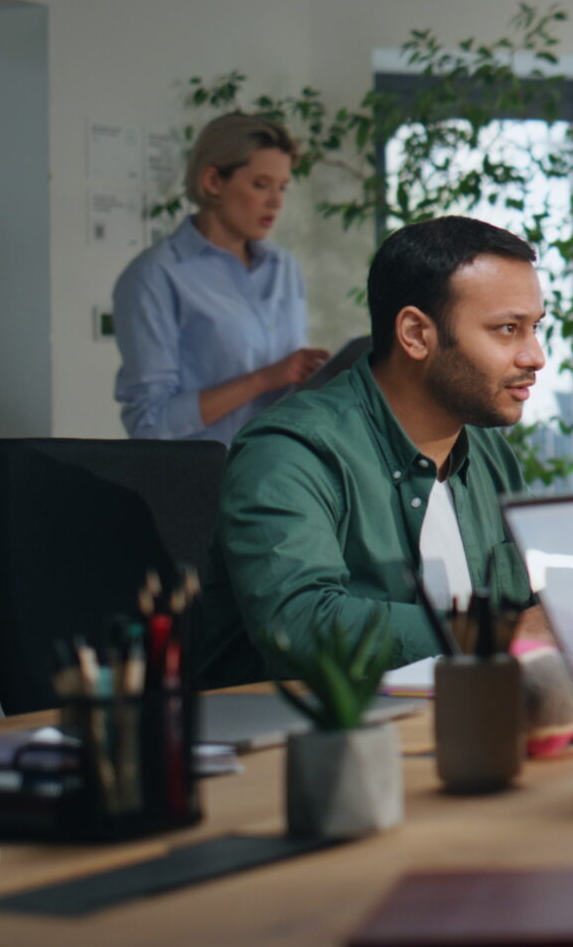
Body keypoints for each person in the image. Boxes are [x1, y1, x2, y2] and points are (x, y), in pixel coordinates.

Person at [192, 216, 546, 682]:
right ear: (417, 335)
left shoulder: (487, 453)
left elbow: (530, 616)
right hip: (301, 741)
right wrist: (499, 632)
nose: (535, 355)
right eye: (507, 329)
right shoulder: (290, 451)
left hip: (457, 719)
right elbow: (299, 626)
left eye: (536, 327)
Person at [112, 113, 331, 444]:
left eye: (283, 187)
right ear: (213, 181)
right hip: (200, 483)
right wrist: (261, 380)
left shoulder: (285, 267)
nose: (276, 202)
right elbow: (149, 422)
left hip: (283, 476)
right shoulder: (155, 275)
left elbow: (291, 382)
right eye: (260, 185)